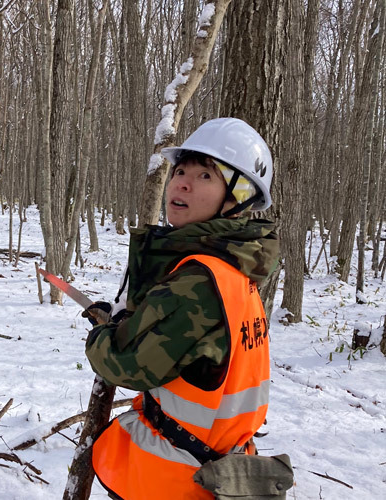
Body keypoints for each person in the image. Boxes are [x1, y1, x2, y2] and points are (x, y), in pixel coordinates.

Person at [83, 118, 279, 499]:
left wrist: (103, 334)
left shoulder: (199, 283)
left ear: (238, 196)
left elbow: (124, 363)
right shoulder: (238, 270)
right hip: (221, 470)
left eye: (206, 175)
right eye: (181, 170)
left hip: (174, 478)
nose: (183, 183)